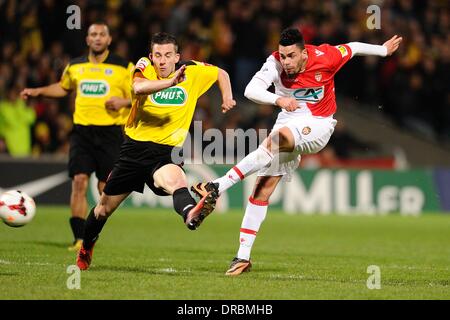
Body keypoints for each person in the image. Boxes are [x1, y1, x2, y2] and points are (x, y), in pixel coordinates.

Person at [192, 28, 402, 275]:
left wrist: (383, 50)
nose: (286, 62)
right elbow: (251, 90)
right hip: (288, 118)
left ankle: (216, 186)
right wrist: (278, 100)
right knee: (262, 189)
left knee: (275, 140)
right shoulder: (275, 63)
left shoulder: (327, 56)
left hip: (319, 124)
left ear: (304, 53)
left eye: (291, 56)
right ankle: (242, 257)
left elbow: (353, 46)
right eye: (283, 55)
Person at [76, 32, 236, 270]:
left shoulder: (192, 71)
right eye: (158, 55)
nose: (162, 60)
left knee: (177, 181)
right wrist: (171, 82)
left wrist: (227, 97)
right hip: (133, 151)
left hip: (166, 152)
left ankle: (190, 213)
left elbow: (220, 73)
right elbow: (138, 88)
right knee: (102, 210)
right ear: (151, 56)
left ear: (177, 57)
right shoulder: (144, 68)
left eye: (168, 55)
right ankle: (87, 245)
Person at [20, 23, 133, 251]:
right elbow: (63, 88)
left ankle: (93, 230)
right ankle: (79, 238)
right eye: (93, 34)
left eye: (102, 34)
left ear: (109, 40)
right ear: (87, 39)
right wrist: (38, 91)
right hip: (82, 133)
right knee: (79, 182)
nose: (98, 38)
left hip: (110, 133)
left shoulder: (124, 67)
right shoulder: (76, 65)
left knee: (105, 188)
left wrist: (123, 102)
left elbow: (140, 94)